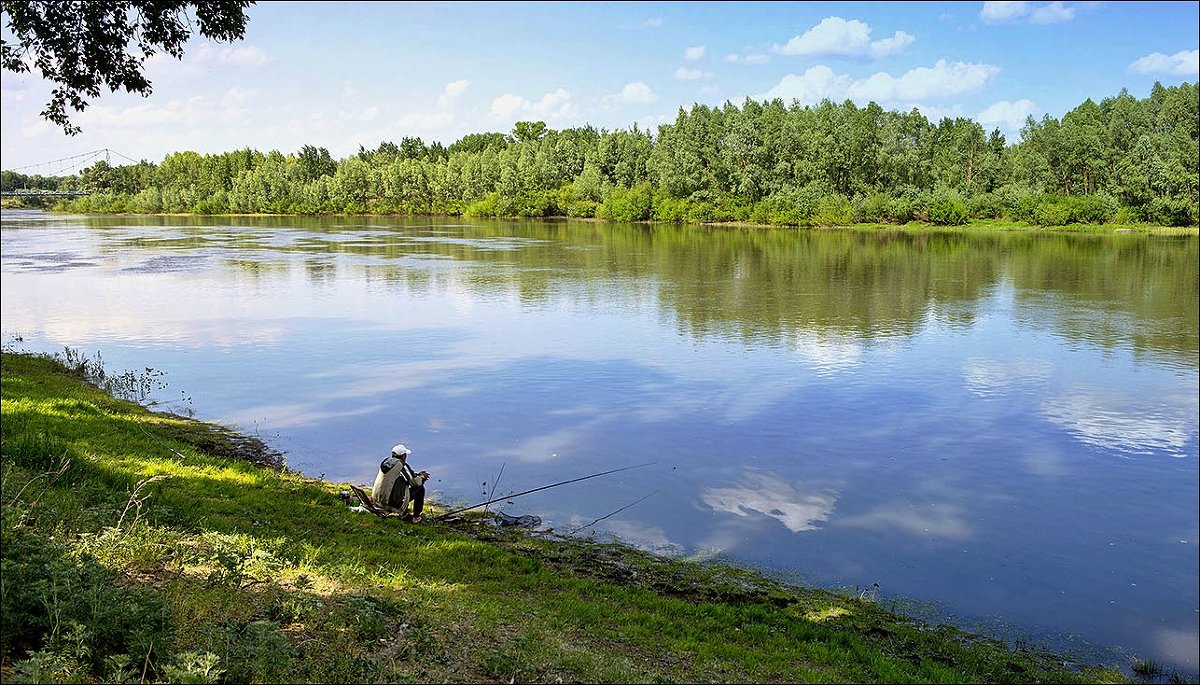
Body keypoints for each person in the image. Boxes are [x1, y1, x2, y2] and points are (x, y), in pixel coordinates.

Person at [370, 444, 430, 522]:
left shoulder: (386, 462)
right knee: (420, 488)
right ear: (403, 456)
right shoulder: (401, 465)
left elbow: (406, 476)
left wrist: (417, 475)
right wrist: (422, 477)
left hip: (378, 499)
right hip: (390, 504)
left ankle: (396, 508)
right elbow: (416, 482)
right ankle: (416, 517)